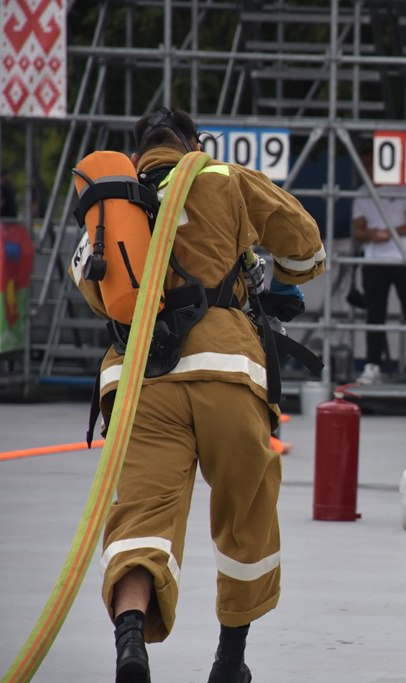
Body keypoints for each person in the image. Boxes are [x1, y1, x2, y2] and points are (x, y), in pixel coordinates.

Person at [69, 108, 326, 682]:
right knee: (245, 514)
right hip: (225, 371)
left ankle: (131, 642)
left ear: (138, 153)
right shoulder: (223, 176)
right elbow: (307, 248)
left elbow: (93, 288)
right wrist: (269, 276)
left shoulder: (113, 205)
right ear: (193, 142)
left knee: (141, 516)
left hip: (140, 379)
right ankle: (229, 661)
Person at [351, 150, 406, 386]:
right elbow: (357, 230)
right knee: (374, 314)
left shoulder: (404, 188)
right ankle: (372, 365)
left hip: (405, 259)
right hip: (374, 260)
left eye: (371, 163)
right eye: (365, 164)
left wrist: (390, 233)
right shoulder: (362, 193)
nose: (368, 169)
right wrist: (371, 235)